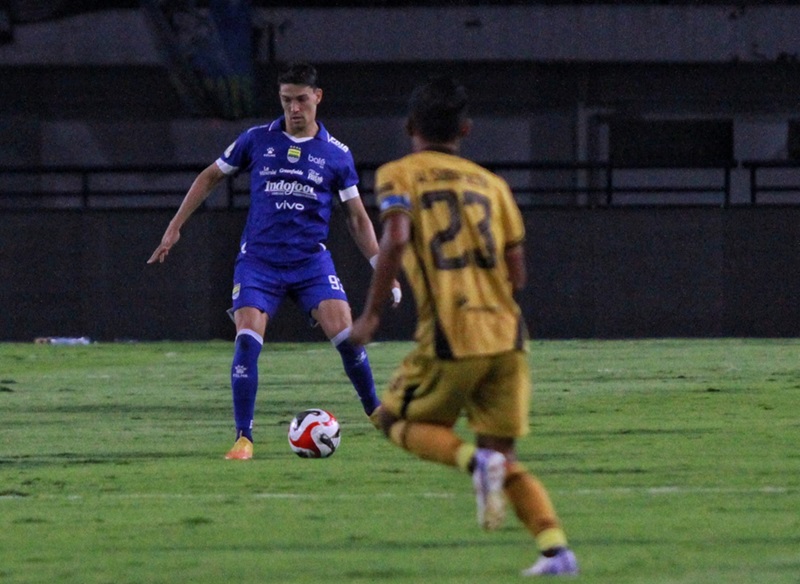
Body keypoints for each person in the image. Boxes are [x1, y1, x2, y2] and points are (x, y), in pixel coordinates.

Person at [350, 76, 578, 577]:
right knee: (503, 455)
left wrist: (370, 316)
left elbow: (395, 237)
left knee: (391, 420)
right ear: (466, 129)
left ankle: (472, 465)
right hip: (508, 336)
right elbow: (517, 273)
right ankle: (555, 549)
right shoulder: (493, 186)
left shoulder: (399, 174)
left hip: (453, 334)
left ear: (410, 127)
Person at [148, 62, 401, 460]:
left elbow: (357, 218)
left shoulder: (336, 155)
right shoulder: (256, 140)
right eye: (286, 100)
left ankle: (375, 411)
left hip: (310, 262)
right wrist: (174, 226)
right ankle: (243, 438)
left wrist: (380, 267)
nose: (294, 108)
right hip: (259, 263)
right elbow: (209, 177)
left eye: (301, 99)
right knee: (247, 340)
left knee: (347, 337)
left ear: (317, 97)